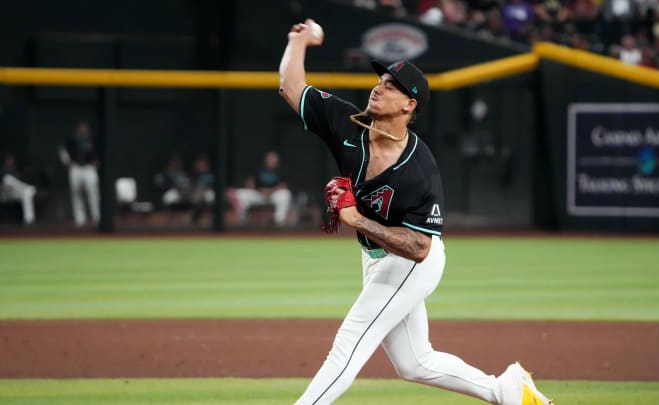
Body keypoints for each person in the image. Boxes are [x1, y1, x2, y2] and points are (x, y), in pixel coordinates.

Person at [278, 18, 553, 405]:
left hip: (410, 261)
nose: (379, 87)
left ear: (410, 104)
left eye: (392, 86)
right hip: (376, 257)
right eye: (380, 80)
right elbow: (290, 86)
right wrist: (299, 42)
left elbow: (420, 247)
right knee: (414, 362)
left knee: (349, 344)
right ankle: (506, 390)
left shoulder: (418, 169)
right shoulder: (346, 123)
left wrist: (355, 219)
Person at [226, 150, 292, 226]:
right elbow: (249, 182)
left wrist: (270, 191)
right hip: (259, 194)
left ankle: (278, 222)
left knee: (285, 194)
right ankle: (243, 220)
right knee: (240, 194)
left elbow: (283, 185)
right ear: (266, 159)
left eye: (274, 159)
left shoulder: (281, 170)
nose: (272, 161)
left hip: (274, 195)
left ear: (278, 160)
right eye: (270, 159)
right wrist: (257, 189)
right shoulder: (259, 169)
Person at [59, 120, 100, 227]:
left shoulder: (92, 139)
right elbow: (62, 150)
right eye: (81, 127)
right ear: (78, 129)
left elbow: (99, 151)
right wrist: (66, 161)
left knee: (93, 193)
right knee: (76, 194)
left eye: (85, 128)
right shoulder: (72, 139)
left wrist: (97, 161)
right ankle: (80, 219)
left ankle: (96, 217)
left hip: (88, 168)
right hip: (76, 168)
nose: (83, 129)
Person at [0, 152, 37, 225]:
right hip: (4, 194)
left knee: (26, 194)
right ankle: (27, 187)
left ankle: (29, 220)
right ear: (5, 161)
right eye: (9, 160)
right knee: (7, 179)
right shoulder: (2, 171)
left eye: (11, 160)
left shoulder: (15, 171)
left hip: (13, 193)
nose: (10, 162)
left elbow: (17, 184)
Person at [189, 153, 215, 223]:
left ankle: (210, 219)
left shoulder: (210, 175)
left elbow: (213, 187)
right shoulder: (193, 175)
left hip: (207, 195)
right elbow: (191, 188)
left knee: (210, 196)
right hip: (195, 196)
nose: (202, 166)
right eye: (200, 164)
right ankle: (195, 218)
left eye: (204, 164)